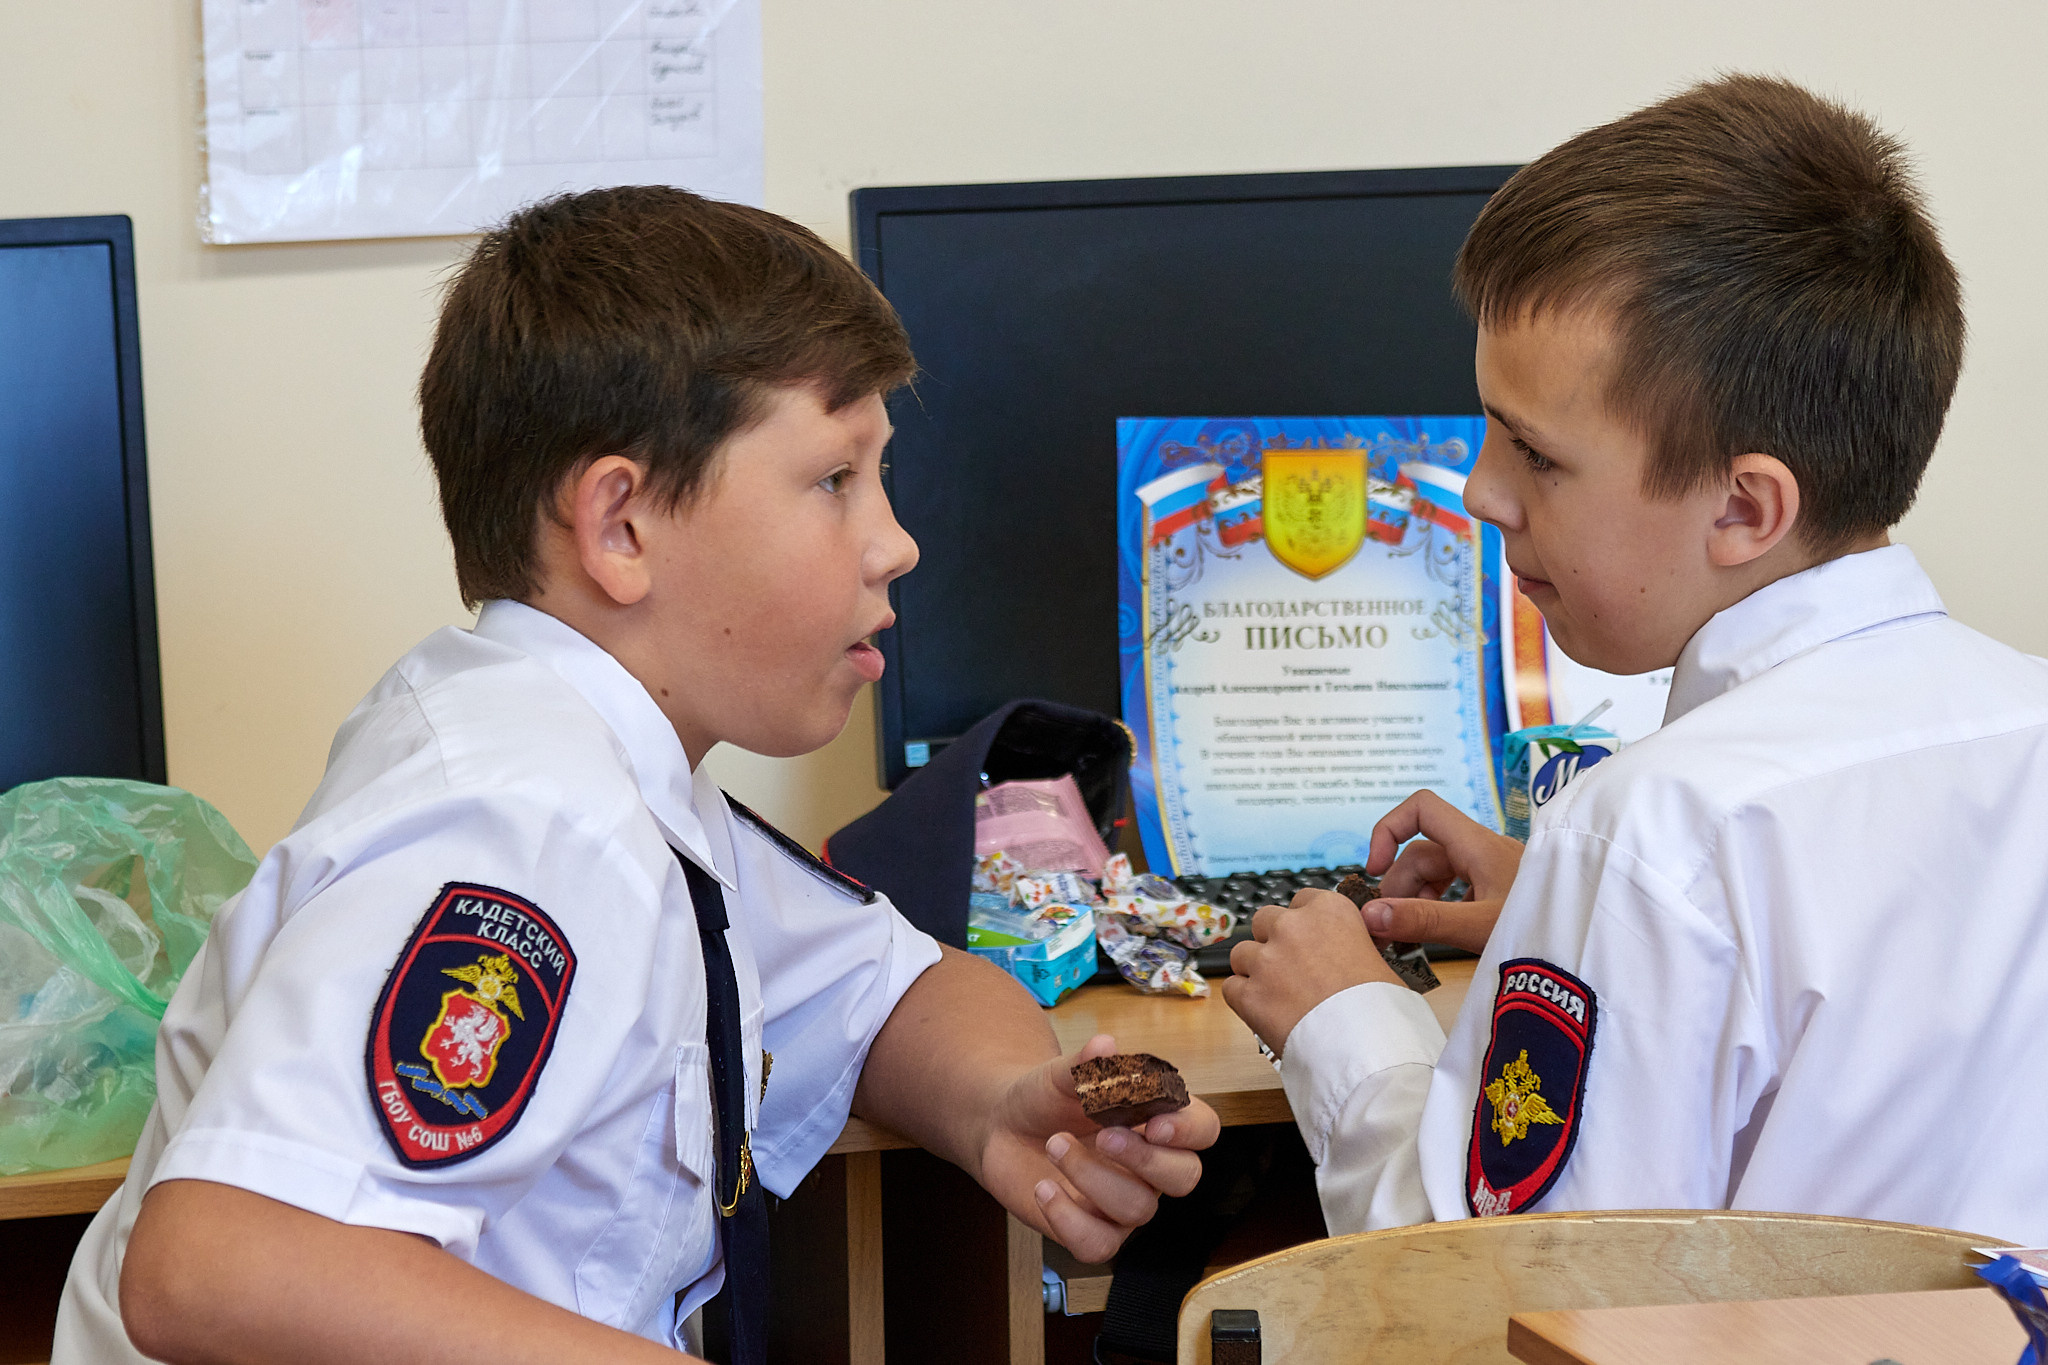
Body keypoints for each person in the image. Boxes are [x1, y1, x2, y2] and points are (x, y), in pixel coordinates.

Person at [55, 187, 1219, 1365]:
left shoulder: (615, 777)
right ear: (619, 528)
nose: (893, 541)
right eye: (833, 480)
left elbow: (880, 987)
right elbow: (217, 1263)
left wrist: (1001, 1102)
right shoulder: (525, 815)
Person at [1223, 74, 2048, 1246]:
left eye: (1536, 456)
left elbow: (1491, 1292)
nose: (1479, 492)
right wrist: (1566, 916)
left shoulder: (1643, 836)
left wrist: (1344, 1020)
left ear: (1744, 509)